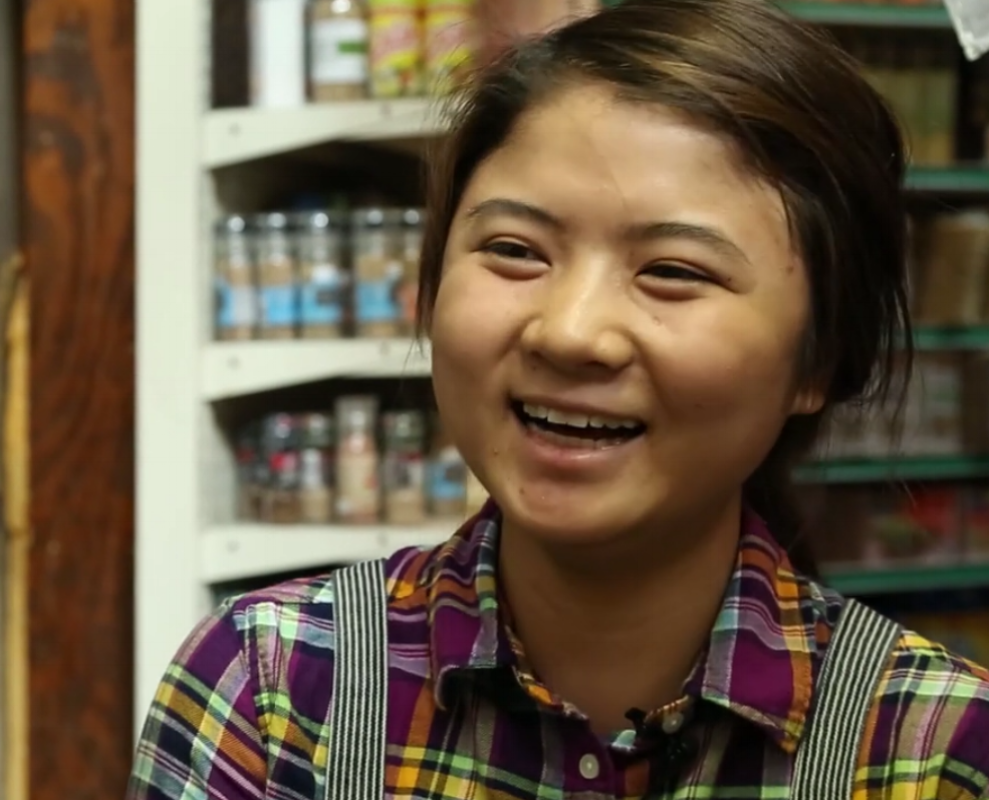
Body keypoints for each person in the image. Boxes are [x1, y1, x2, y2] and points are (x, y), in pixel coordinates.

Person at [128, 0, 989, 797]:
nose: (569, 332)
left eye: (673, 272)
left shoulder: (936, 747)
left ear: (819, 357)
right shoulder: (272, 687)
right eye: (514, 250)